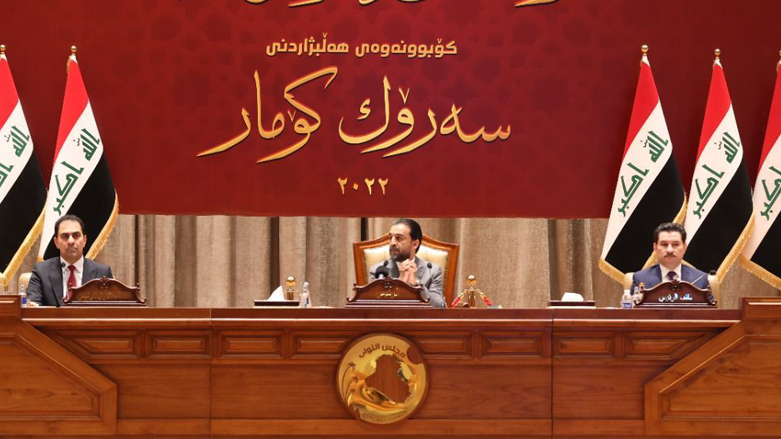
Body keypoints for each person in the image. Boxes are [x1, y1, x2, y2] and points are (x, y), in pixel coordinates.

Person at [26, 215, 113, 306]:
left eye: (76, 235)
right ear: (56, 242)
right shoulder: (41, 271)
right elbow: (33, 305)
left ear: (84, 240)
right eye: (65, 236)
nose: (71, 241)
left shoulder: (102, 273)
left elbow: (111, 309)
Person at [369, 218, 446, 308]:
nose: (392, 243)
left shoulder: (432, 270)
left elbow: (439, 306)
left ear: (415, 244)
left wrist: (417, 285)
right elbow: (373, 307)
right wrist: (398, 284)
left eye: (399, 238)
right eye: (390, 238)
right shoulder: (378, 271)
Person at [631, 222, 709, 291]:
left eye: (675, 244)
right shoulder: (640, 279)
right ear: (655, 247)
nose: (669, 250)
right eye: (664, 244)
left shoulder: (700, 279)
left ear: (684, 247)